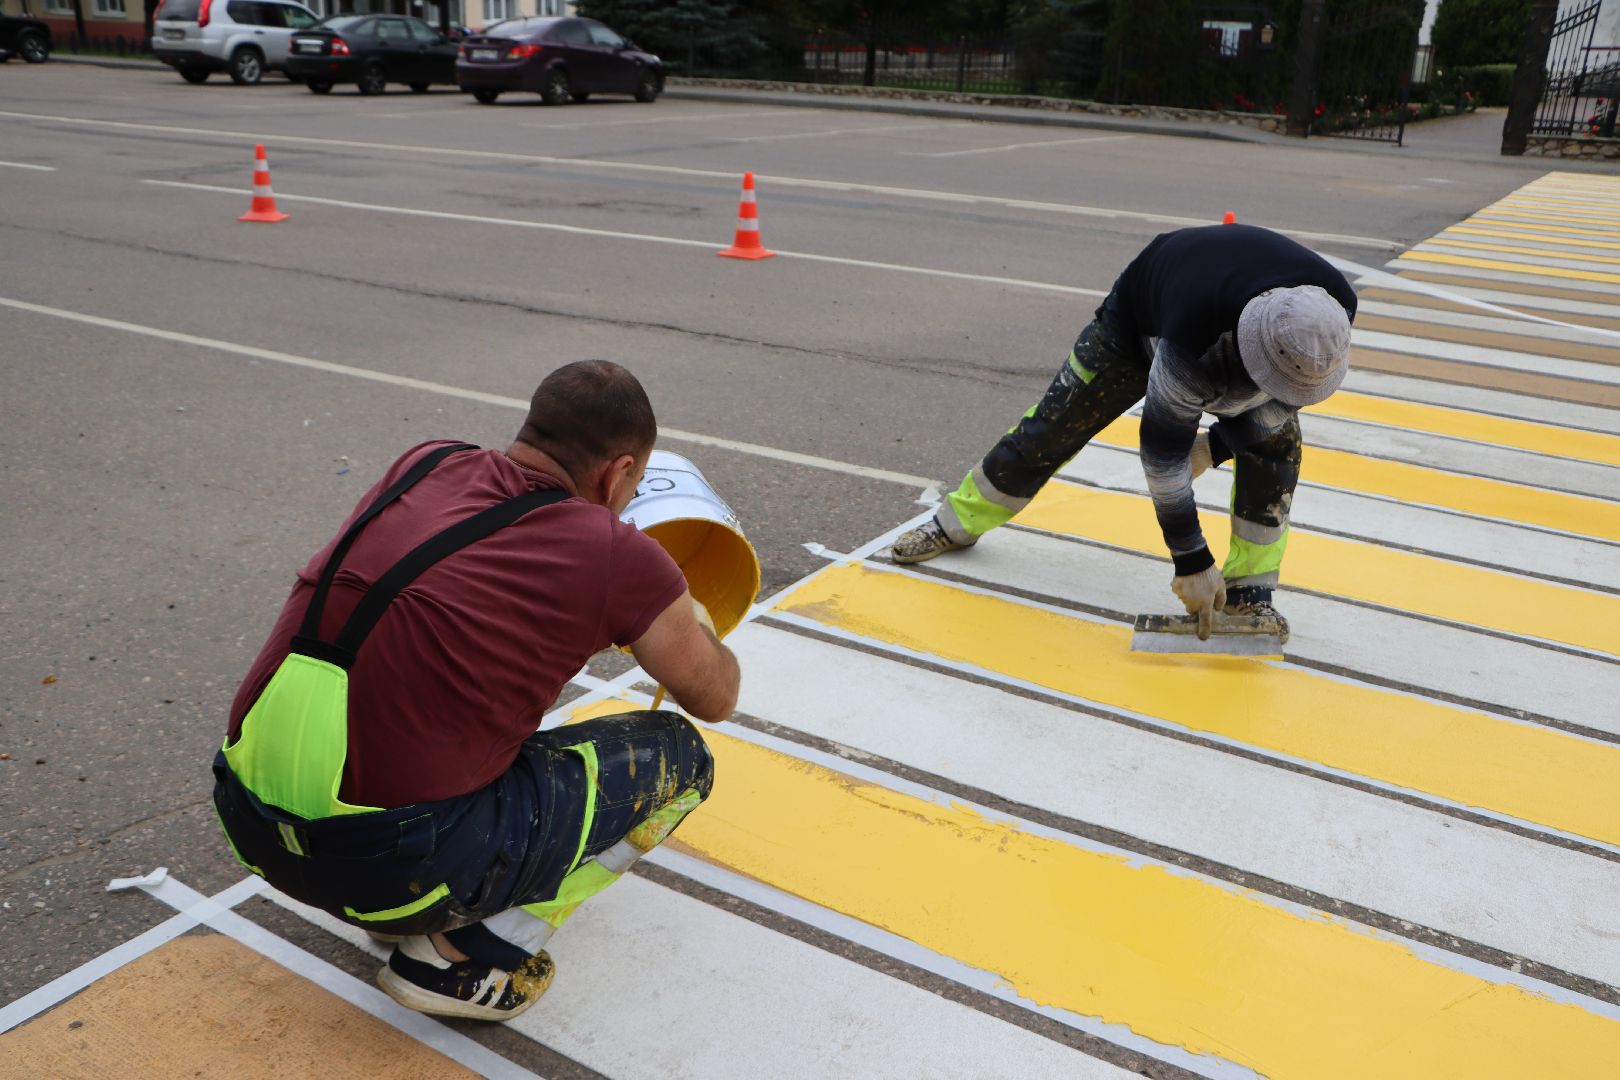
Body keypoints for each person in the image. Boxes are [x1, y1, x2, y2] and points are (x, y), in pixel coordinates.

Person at [214, 360, 740, 1021]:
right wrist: (687, 612)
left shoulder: (425, 462)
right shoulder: (613, 552)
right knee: (680, 756)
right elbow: (715, 695)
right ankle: (464, 954)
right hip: (388, 865)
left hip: (250, 823)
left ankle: (406, 905)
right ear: (618, 473)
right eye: (633, 485)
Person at [892, 224, 1357, 640]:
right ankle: (955, 522)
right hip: (1136, 327)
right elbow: (1162, 457)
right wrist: (1191, 560)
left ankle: (1250, 591)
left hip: (1232, 313)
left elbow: (1290, 396)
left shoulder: (1331, 316)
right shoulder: (1193, 332)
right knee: (1057, 424)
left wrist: (1214, 448)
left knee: (1277, 449)